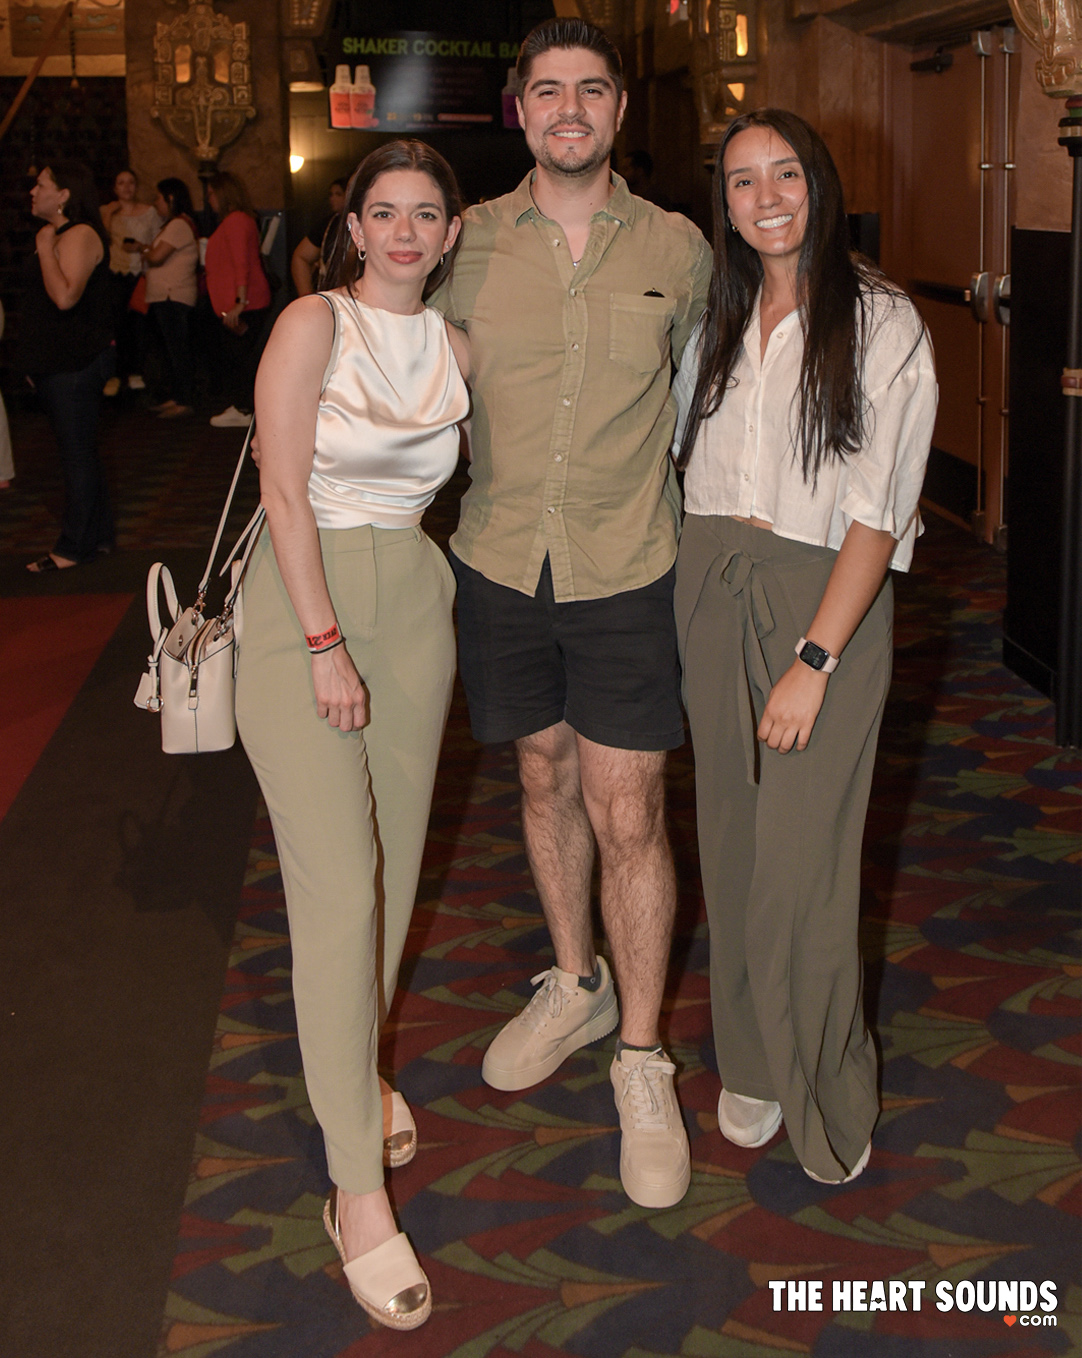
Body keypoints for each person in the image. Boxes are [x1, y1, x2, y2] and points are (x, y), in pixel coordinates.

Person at [432, 17, 711, 1210]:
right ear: (519, 108)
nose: (568, 110)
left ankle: (640, 1057)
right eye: (546, 91)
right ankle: (573, 980)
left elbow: (709, 391)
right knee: (540, 774)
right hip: (499, 561)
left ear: (617, 110)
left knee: (628, 806)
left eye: (590, 90)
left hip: (626, 565)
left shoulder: (678, 248)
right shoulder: (467, 242)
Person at [672, 109, 937, 1183]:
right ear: (724, 204)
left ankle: (825, 1076)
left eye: (784, 173)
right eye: (742, 181)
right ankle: (749, 1058)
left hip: (822, 599)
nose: (766, 197)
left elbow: (878, 514)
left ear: (818, 185)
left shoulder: (881, 320)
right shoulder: (719, 314)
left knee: (805, 861)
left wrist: (813, 660)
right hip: (708, 581)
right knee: (730, 838)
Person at [235, 140, 468, 1330]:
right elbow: (281, 490)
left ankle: (354, 1072)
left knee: (392, 875)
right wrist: (324, 640)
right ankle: (356, 1189)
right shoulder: (310, 324)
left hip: (414, 605)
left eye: (426, 213)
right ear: (355, 223)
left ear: (451, 231)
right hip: (303, 604)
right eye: (385, 211)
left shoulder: (456, 346)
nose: (404, 231)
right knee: (337, 891)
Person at [21, 161, 114, 572]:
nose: (33, 191)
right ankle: (99, 535)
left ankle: (74, 547)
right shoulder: (57, 234)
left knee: (77, 453)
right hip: (57, 360)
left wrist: (45, 247)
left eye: (41, 185)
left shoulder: (79, 234)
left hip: (76, 360)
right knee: (79, 450)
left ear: (63, 195)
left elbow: (65, 297)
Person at [204, 171, 272, 427]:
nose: (209, 199)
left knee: (242, 359)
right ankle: (243, 407)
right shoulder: (238, 220)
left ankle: (245, 408)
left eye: (212, 193)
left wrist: (239, 302)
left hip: (246, 303)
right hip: (240, 303)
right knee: (239, 357)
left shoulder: (235, 221)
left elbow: (241, 263)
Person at [141, 177, 199, 419]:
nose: (155, 203)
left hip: (173, 295)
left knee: (178, 351)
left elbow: (156, 256)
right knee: (170, 350)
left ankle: (184, 400)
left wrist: (143, 250)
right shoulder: (174, 225)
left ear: (171, 198)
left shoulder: (178, 225)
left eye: (158, 197)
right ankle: (176, 397)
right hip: (167, 296)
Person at [99, 168, 159, 395]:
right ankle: (115, 374)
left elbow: (157, 241)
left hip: (140, 273)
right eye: (121, 182)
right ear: (115, 188)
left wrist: (141, 248)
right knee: (116, 324)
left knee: (139, 324)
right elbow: (100, 241)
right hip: (115, 273)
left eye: (131, 182)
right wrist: (109, 214)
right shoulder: (106, 211)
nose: (126, 187)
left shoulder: (149, 212)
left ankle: (136, 371)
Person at [291, 177, 349, 296]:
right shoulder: (329, 224)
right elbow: (300, 256)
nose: (333, 199)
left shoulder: (366, 223)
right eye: (331, 195)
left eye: (338, 194)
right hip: (332, 293)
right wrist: (307, 297)